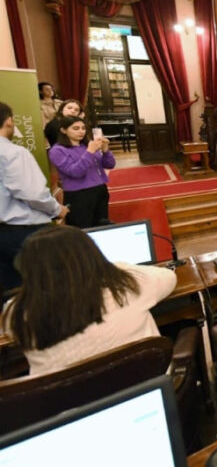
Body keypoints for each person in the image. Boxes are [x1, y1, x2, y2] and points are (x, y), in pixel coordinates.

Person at [1, 226, 176, 376]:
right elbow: (170, 278)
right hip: (149, 389)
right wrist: (117, 267)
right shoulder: (126, 285)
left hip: (65, 408)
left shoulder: (17, 313)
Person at [0, 102, 67, 291]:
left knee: (10, 289)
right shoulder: (13, 153)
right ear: (9, 121)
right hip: (22, 232)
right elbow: (32, 194)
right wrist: (57, 209)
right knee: (42, 287)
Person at [48, 116, 115, 229]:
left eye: (83, 128)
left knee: (102, 226)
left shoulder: (86, 145)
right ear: (63, 130)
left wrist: (105, 150)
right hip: (78, 195)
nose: (81, 131)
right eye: (76, 128)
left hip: (99, 190)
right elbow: (75, 172)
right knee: (82, 229)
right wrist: (89, 152)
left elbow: (109, 164)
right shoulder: (57, 150)